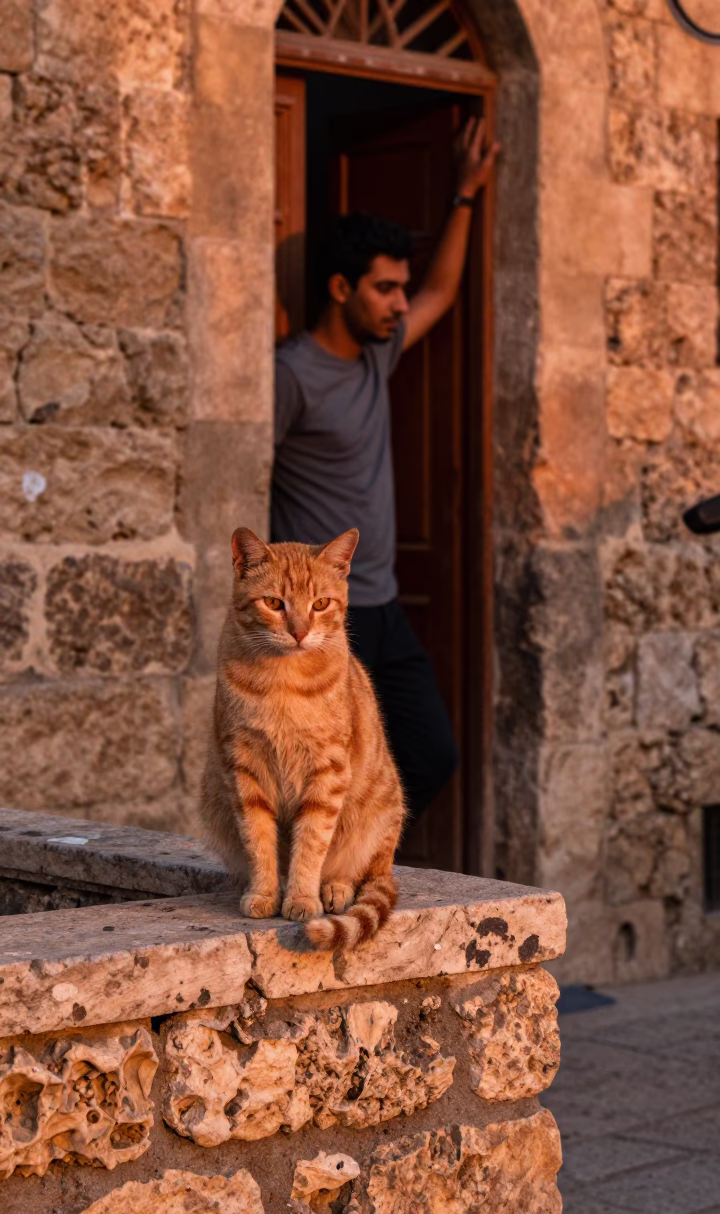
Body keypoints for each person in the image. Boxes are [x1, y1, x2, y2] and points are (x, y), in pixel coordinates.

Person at [272, 117, 500, 825]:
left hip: (383, 607)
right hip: (319, 622)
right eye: (384, 289)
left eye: (399, 287)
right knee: (318, 772)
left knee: (430, 753)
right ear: (341, 288)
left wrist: (462, 194)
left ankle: (359, 860)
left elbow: (441, 293)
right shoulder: (290, 375)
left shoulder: (378, 355)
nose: (401, 303)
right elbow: (248, 478)